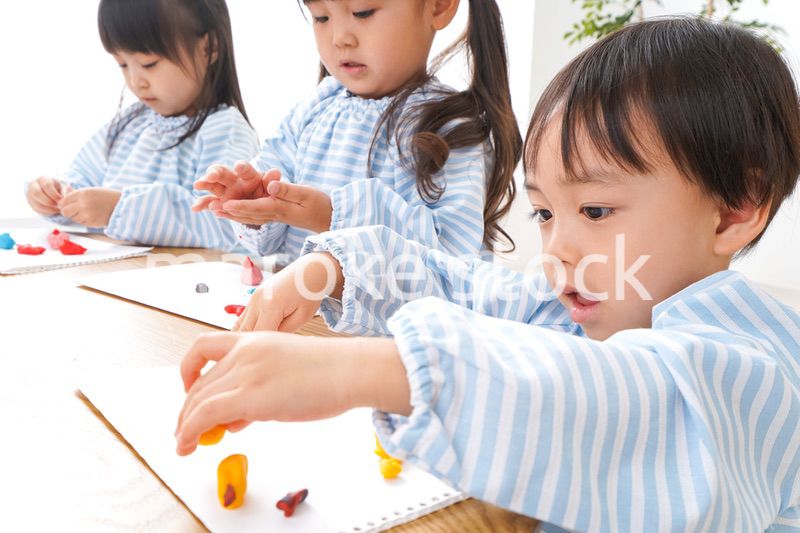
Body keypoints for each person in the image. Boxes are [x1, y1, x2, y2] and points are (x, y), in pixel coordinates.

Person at [175, 18, 800, 530]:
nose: (556, 250)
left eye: (595, 211)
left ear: (733, 211)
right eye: (545, 214)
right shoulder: (588, 304)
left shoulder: (755, 370)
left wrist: (351, 371)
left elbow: (617, 406)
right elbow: (462, 284)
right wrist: (331, 268)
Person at [192, 0, 521, 264]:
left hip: (393, 329)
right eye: (321, 17)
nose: (340, 38)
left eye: (363, 12)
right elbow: (269, 237)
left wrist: (333, 217)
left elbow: (452, 255)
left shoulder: (449, 126)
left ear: (438, 6)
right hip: (303, 319)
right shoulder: (314, 109)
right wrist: (254, 206)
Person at [25, 0, 259, 250]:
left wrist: (117, 209)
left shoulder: (225, 131)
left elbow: (225, 226)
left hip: (184, 271)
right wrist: (56, 196)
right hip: (116, 271)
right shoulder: (130, 124)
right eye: (123, 64)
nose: (135, 82)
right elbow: (83, 182)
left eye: (149, 64)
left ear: (209, 48)